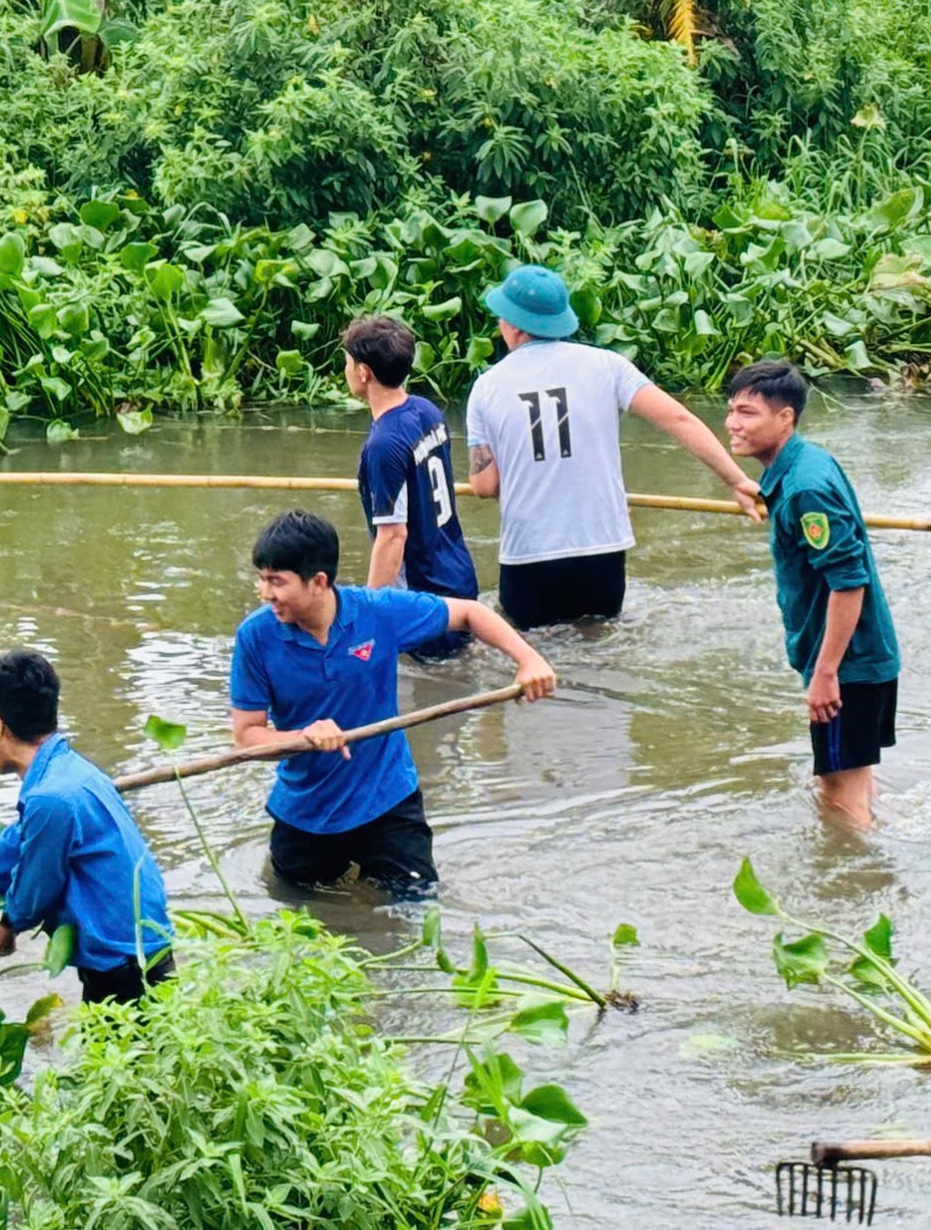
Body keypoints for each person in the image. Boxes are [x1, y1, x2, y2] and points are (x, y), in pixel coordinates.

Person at [230, 510, 556, 897]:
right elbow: (246, 737)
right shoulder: (255, 637)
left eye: (276, 582)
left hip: (387, 800)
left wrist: (529, 660)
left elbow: (471, 612)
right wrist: (302, 736)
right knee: (298, 914)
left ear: (318, 582)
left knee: (416, 908)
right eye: (262, 580)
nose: (265, 593)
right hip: (308, 811)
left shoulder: (377, 612)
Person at [464, 263, 760, 629]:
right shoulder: (607, 366)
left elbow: (485, 486)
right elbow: (679, 420)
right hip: (601, 548)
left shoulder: (487, 387)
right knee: (600, 647)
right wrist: (736, 481)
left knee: (535, 663)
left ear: (513, 324)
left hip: (528, 553)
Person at [721, 360, 901, 829]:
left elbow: (848, 582)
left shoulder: (805, 489)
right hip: (860, 657)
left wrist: (825, 674)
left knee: (838, 795)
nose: (732, 425)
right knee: (851, 780)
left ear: (785, 419)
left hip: (848, 666)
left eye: (747, 414)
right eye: (731, 411)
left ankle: (851, 887)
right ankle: (874, 850)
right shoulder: (804, 464)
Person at [0, 648, 175, 1005]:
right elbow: (17, 843)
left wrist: (10, 923)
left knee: (114, 1059)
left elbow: (38, 886)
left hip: (123, 964)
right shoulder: (70, 771)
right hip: (140, 947)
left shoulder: (51, 798)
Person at [343, 314, 480, 656]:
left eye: (347, 362)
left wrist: (368, 613)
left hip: (423, 596)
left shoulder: (383, 445)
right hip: (458, 576)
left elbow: (393, 536)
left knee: (425, 685)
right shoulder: (427, 410)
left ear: (364, 372)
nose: (345, 370)